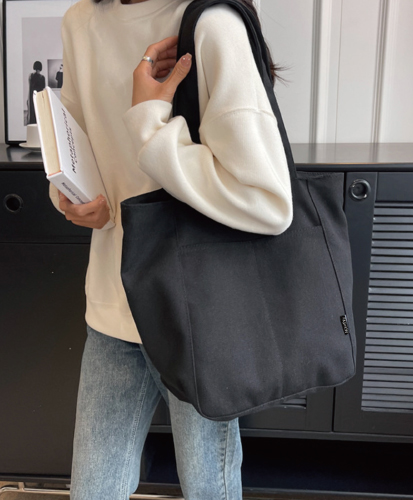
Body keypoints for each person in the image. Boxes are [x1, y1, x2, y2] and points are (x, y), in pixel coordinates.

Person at [49, 0, 293, 498]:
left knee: (208, 489)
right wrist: (73, 198)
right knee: (92, 491)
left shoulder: (211, 24)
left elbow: (267, 201)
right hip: (112, 302)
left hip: (195, 314)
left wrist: (150, 121)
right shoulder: (81, 22)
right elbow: (74, 143)